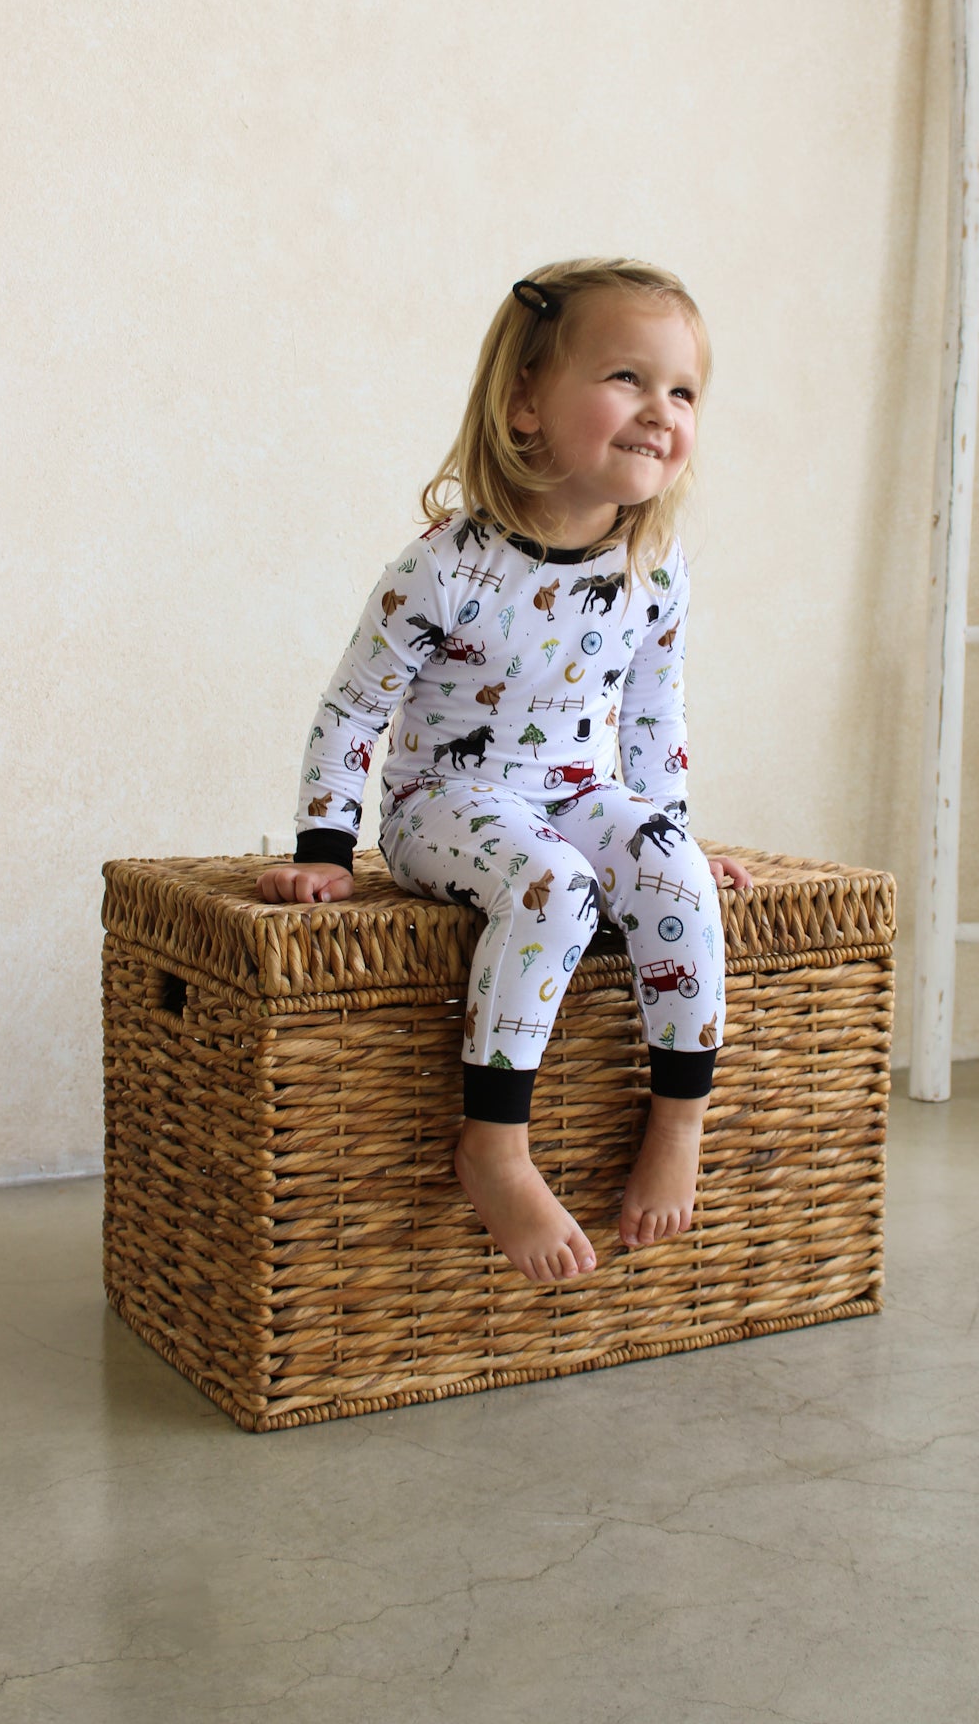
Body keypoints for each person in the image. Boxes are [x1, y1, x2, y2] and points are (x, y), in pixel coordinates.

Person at [256, 257, 752, 1284]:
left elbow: (654, 715)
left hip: (578, 793)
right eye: (626, 377)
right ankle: (494, 1142)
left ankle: (678, 1120)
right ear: (525, 404)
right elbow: (354, 707)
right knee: (553, 888)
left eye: (683, 390)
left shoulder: (652, 568)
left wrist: (671, 831)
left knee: (676, 878)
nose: (659, 411)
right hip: (443, 805)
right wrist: (325, 848)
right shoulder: (444, 568)